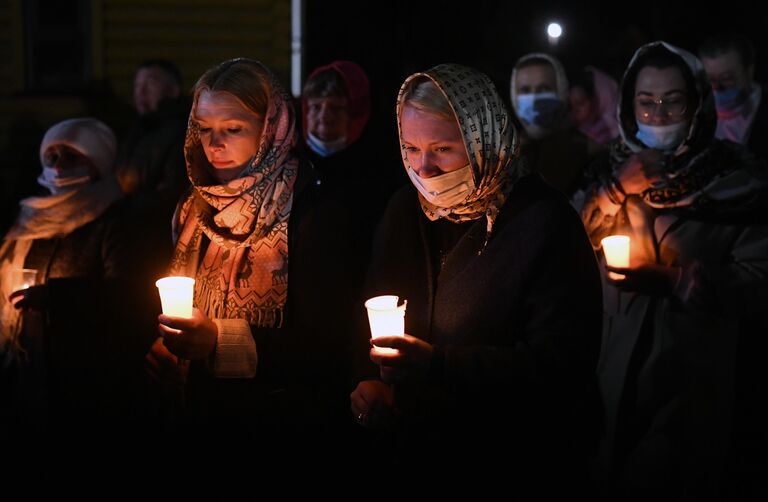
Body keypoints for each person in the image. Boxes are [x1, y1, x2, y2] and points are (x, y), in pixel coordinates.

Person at [350, 64, 603, 488]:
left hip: (513, 459)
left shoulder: (542, 220)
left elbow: (562, 365)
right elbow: (365, 312)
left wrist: (440, 366)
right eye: (411, 148)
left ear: (483, 138)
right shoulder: (404, 211)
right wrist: (364, 384)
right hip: (413, 455)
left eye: (443, 149)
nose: (423, 168)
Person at [577, 41, 768, 498]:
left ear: (698, 102)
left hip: (693, 379)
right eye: (646, 102)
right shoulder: (605, 171)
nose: (658, 114)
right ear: (628, 105)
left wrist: (680, 282)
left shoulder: (739, 178)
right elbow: (562, 250)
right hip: (607, 374)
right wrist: (616, 192)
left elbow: (761, 280)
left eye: (673, 101)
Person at [146, 58, 357, 456]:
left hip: (279, 428)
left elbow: (329, 345)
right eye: (204, 129)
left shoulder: (311, 210)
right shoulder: (194, 208)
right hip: (198, 420)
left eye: (233, 129)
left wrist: (219, 342)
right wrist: (169, 344)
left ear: (270, 129)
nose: (214, 145)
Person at [0, 118, 155, 443]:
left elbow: (130, 296)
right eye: (52, 157)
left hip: (87, 374)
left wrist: (57, 297)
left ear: (96, 161)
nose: (58, 166)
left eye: (71, 157)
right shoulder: (30, 215)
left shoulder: (117, 220)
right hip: (27, 364)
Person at [300, 61, 392, 280]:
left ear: (356, 113)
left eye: (336, 108)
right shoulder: (292, 166)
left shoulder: (377, 172)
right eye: (316, 107)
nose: (324, 117)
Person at [116, 59, 191, 282]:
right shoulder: (137, 129)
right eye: (137, 84)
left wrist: (124, 204)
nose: (141, 91)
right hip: (131, 238)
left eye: (150, 83)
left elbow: (173, 191)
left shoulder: (180, 130)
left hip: (158, 239)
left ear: (173, 89)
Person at [510, 53, 601, 196]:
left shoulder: (588, 151)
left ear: (561, 92)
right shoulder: (503, 155)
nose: (533, 99)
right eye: (525, 90)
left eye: (544, 89)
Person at [699, 34, 768, 160]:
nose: (717, 88)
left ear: (749, 71)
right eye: (710, 80)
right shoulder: (697, 112)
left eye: (726, 78)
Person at [570, 66, 621, 145]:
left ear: (593, 99)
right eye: (570, 105)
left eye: (580, 103)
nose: (575, 110)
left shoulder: (611, 117)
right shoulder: (572, 126)